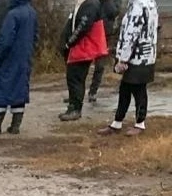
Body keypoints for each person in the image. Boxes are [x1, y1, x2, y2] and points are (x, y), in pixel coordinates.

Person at [99, 0, 159, 135]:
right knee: (125, 89)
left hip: (136, 57)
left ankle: (140, 123)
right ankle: (117, 122)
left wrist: (123, 58)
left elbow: (131, 34)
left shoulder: (138, 6)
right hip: (146, 54)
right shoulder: (150, 4)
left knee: (138, 90)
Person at [0, 0, 39, 134]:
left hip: (10, 58)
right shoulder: (32, 12)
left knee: (3, 88)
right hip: (24, 58)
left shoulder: (12, 15)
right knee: (20, 89)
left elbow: (6, 39)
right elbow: (36, 35)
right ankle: (15, 125)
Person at [59, 0, 109, 121]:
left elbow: (83, 26)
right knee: (73, 77)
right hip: (80, 47)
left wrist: (70, 42)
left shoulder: (90, 4)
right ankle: (73, 106)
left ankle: (75, 109)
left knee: (76, 78)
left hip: (84, 47)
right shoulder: (83, 4)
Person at [88, 0, 119, 104]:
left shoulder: (109, 3)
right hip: (93, 31)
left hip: (103, 34)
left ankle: (92, 91)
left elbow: (114, 12)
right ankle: (78, 93)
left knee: (99, 65)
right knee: (84, 63)